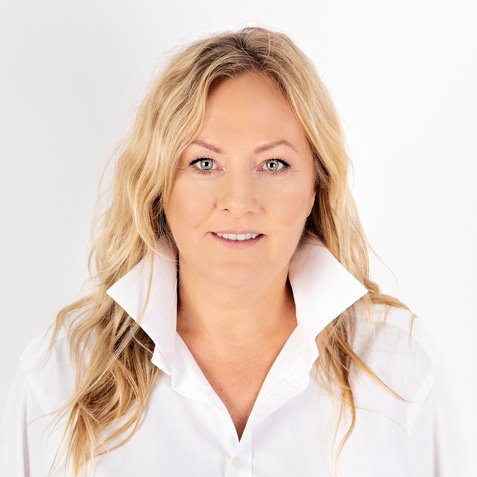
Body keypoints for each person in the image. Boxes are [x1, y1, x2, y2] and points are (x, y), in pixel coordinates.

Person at [0, 26, 469, 477]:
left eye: (273, 164)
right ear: (159, 185)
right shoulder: (59, 378)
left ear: (316, 186)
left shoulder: (401, 368)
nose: (239, 202)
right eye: (204, 163)